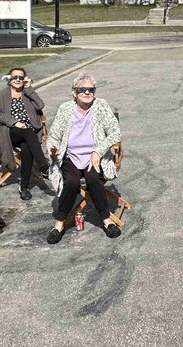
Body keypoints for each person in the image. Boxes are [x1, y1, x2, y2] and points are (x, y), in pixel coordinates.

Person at [46, 74, 122, 244]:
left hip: (94, 156)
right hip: (71, 156)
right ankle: (59, 224)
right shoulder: (65, 108)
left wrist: (98, 151)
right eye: (82, 89)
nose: (87, 93)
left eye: (91, 90)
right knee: (71, 183)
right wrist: (52, 149)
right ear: (74, 92)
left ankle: (106, 220)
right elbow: (53, 136)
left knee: (94, 179)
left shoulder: (101, 105)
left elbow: (115, 132)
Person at [0, 66, 49, 200]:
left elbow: (40, 105)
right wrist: (14, 122)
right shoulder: (2, 94)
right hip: (11, 132)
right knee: (28, 133)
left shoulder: (27, 92)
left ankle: (24, 187)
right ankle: (44, 166)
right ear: (9, 79)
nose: (18, 79)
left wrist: (29, 88)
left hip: (29, 134)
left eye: (21, 78)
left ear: (25, 80)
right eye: (15, 77)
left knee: (27, 147)